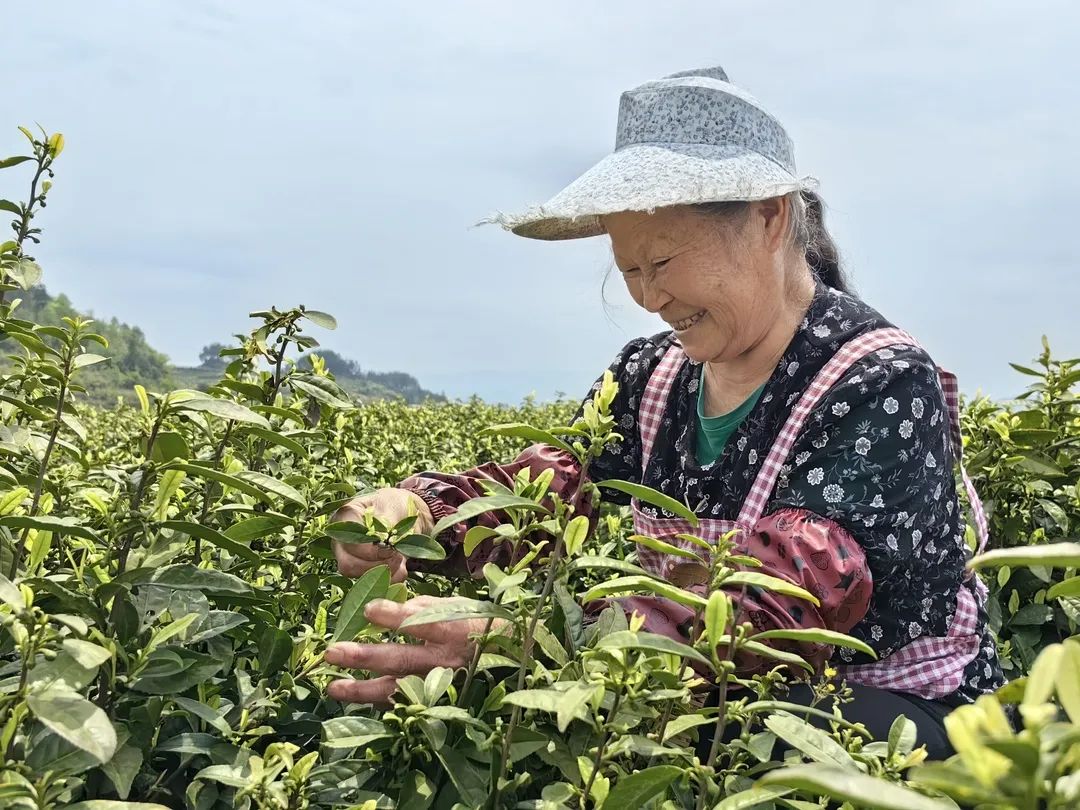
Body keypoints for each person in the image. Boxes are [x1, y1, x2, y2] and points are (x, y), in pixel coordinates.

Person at [321, 66, 1003, 759]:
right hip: (693, 684)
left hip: (894, 714)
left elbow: (786, 598)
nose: (650, 297)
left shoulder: (880, 382)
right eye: (631, 270)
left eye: (665, 261)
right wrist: (422, 513)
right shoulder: (651, 376)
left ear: (768, 216)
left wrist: (537, 648)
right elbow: (551, 490)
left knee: (772, 728)